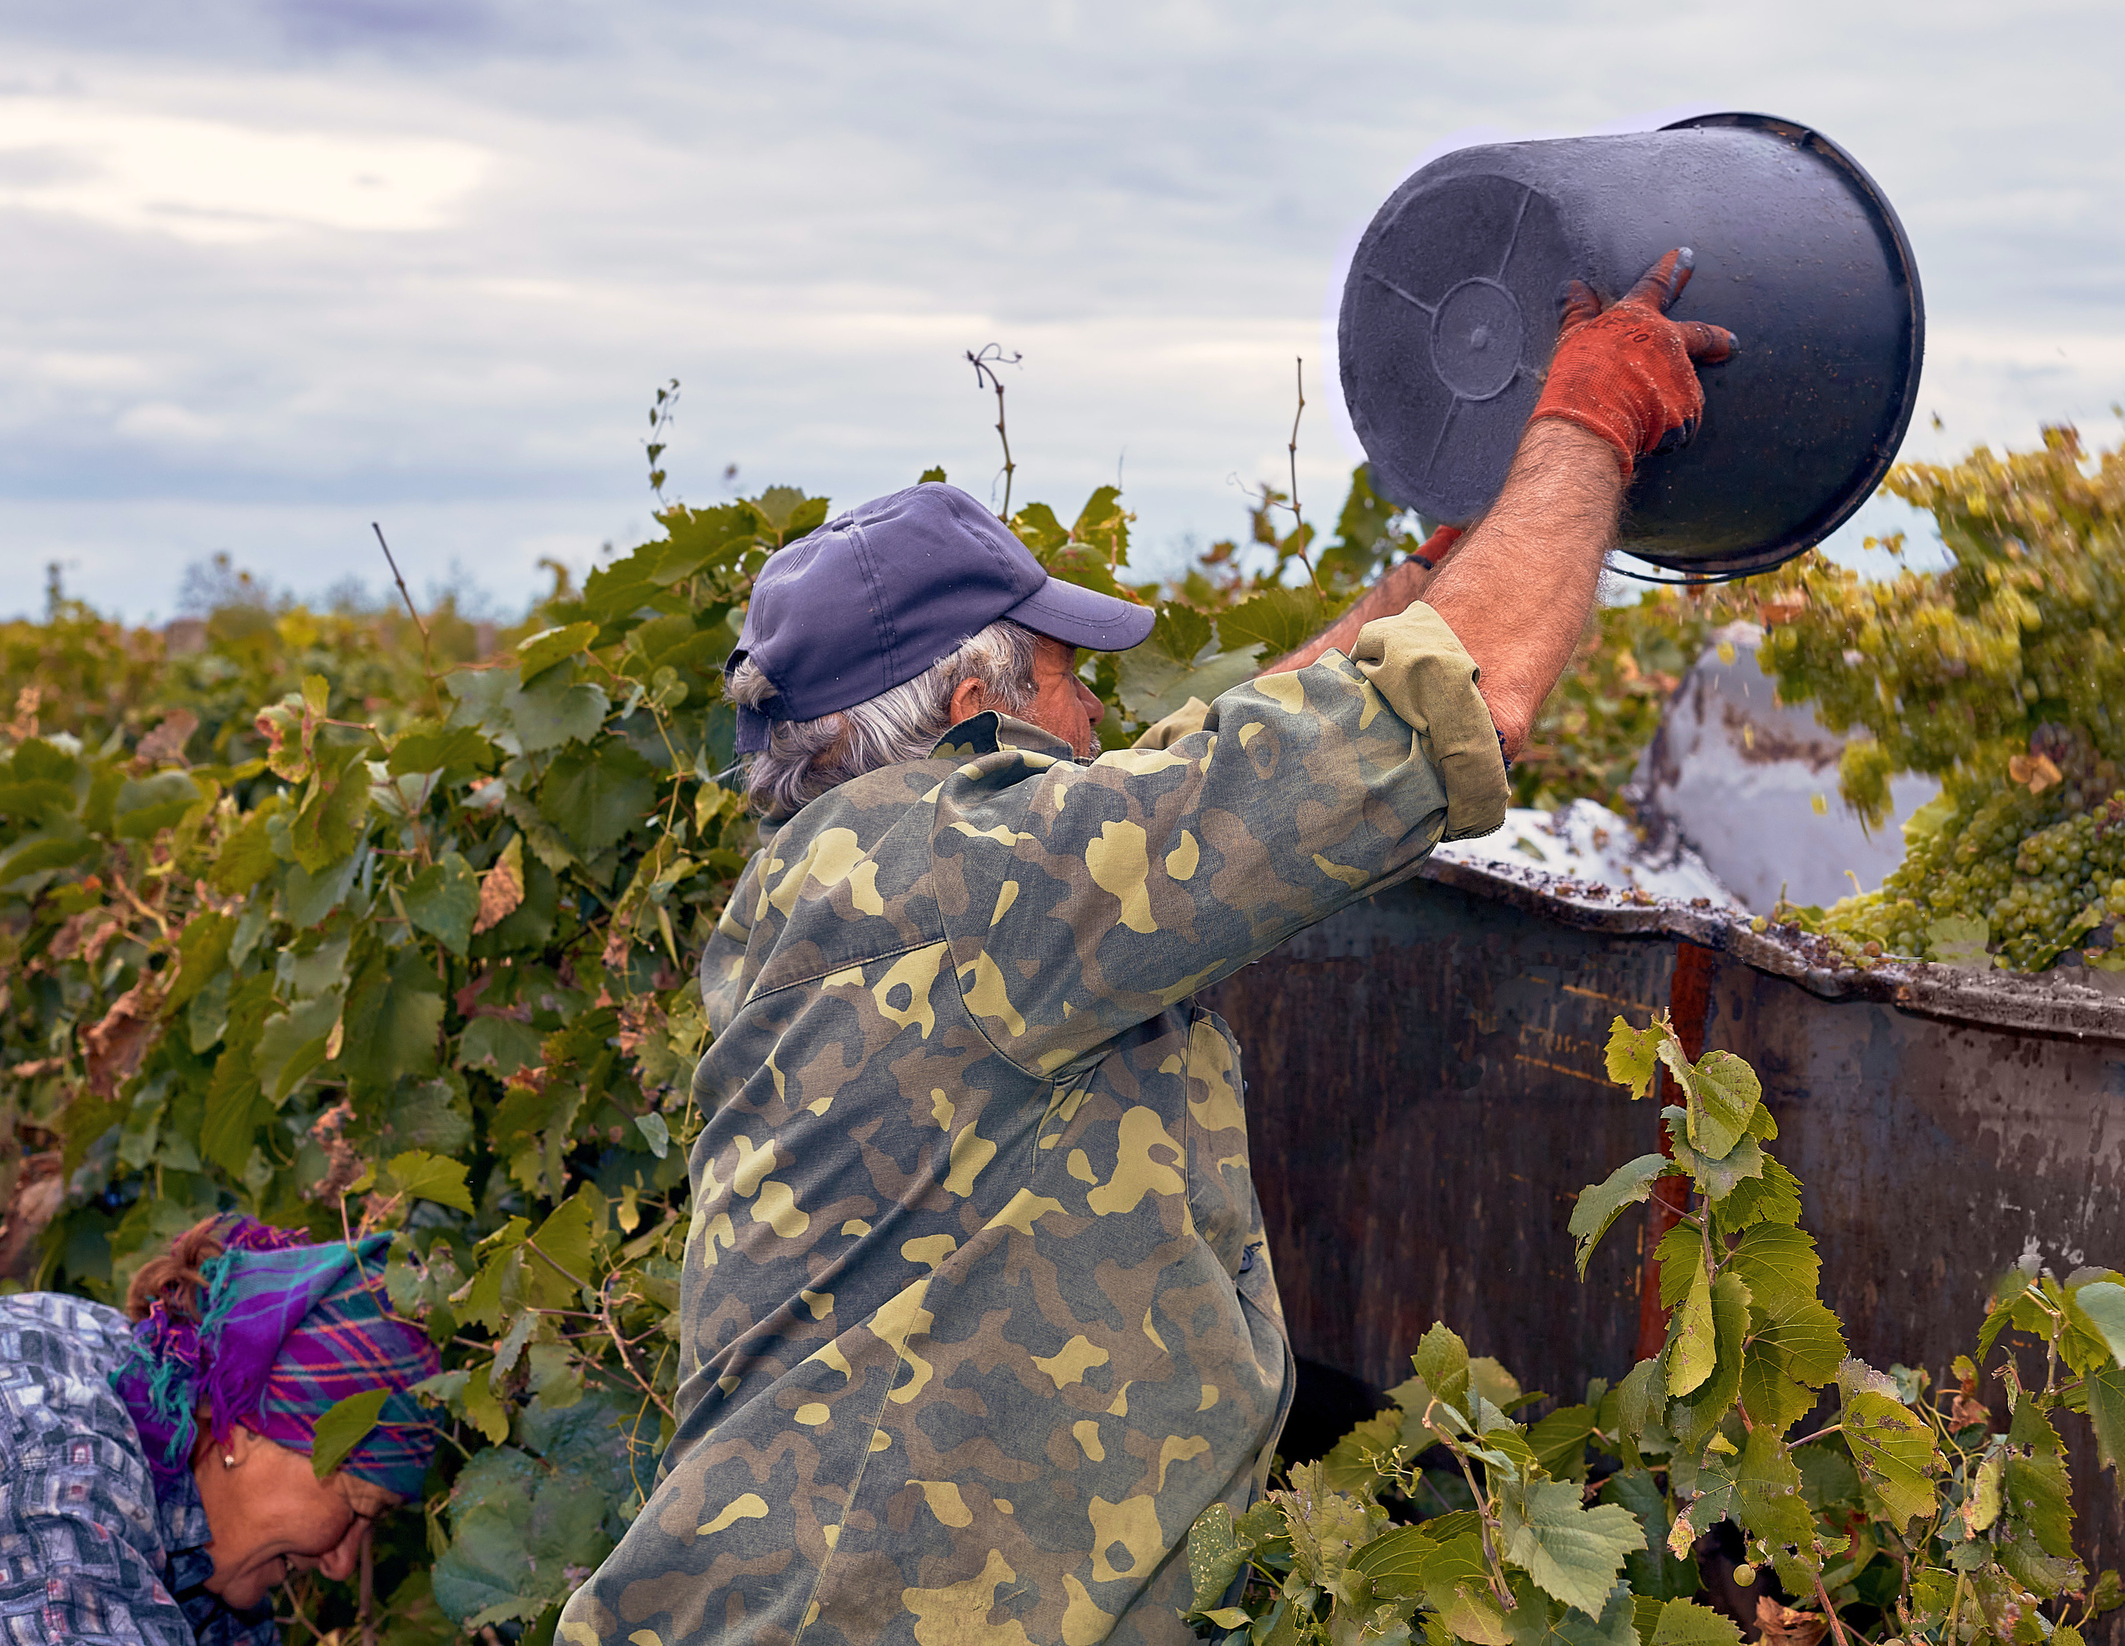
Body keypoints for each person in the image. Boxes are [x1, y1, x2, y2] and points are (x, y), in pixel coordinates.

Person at [560, 248, 1731, 1645]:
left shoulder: (875, 877)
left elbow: (1209, 773)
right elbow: (1454, 703)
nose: (1098, 710)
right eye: (1068, 675)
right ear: (977, 699)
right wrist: (1590, 423)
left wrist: (1457, 540)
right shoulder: (978, 877)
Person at [0, 1213, 442, 1645]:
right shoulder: (61, 1438)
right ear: (247, 1429)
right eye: (357, 1508)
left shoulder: (213, 1590)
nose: (341, 1565)